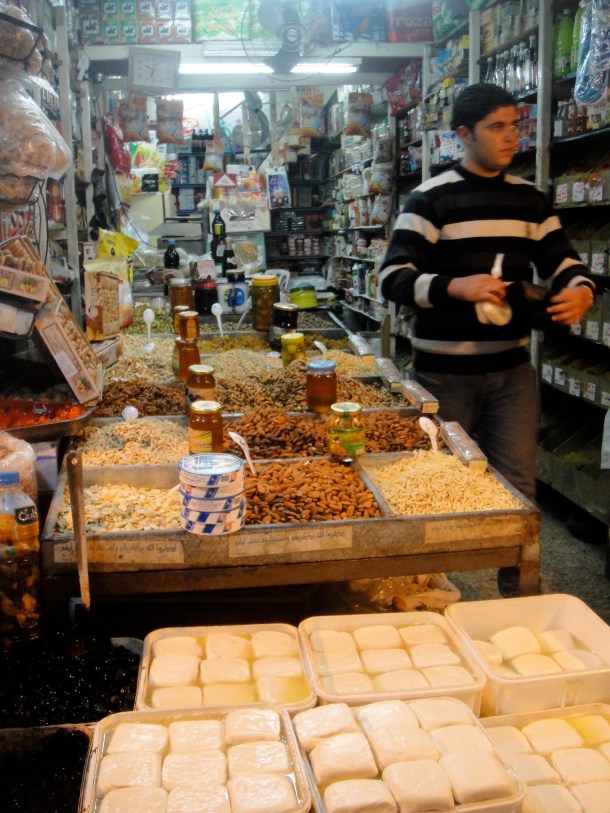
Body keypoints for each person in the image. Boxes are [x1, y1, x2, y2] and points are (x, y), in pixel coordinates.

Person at [378, 83, 595, 594]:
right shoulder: (432, 199)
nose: (510, 137)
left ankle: (522, 601)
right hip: (443, 376)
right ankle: (424, 597)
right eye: (496, 127)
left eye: (515, 125)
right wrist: (455, 285)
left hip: (511, 374)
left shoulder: (530, 201)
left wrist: (580, 289)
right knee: (432, 490)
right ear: (463, 134)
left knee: (518, 491)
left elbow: (563, 262)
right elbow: (392, 278)